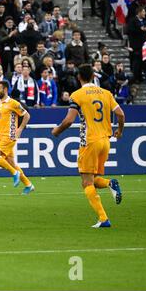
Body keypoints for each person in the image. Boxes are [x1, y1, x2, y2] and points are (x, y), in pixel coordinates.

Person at [51, 64, 125, 228]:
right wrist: (119, 131)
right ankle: (109, 184)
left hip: (90, 141)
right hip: (105, 141)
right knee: (94, 179)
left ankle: (103, 218)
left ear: (79, 77)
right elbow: (120, 114)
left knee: (86, 182)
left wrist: (57, 131)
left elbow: (69, 120)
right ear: (93, 76)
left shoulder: (77, 95)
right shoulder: (106, 93)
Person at [0, 81, 34, 195]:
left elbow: (26, 115)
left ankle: (14, 173)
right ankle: (28, 184)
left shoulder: (13, 103)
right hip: (1, 136)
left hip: (10, 136)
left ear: (5, 89)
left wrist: (20, 129)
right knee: (11, 162)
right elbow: (1, 120)